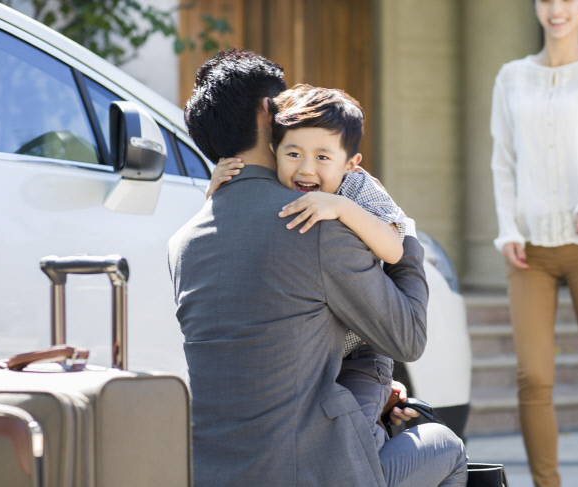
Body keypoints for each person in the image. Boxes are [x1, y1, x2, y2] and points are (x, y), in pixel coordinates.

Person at [167, 48, 467, 486]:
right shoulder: (315, 221)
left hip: (214, 473)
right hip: (311, 471)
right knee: (446, 447)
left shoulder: (184, 240)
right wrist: (405, 236)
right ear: (270, 115)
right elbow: (408, 337)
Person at [209, 83, 411, 451]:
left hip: (360, 352)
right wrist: (215, 188)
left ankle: (387, 435)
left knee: (356, 443)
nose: (305, 169)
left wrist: (342, 209)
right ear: (273, 152)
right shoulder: (273, 184)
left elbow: (395, 248)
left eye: (322, 158)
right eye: (294, 154)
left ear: (351, 163)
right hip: (312, 351)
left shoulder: (358, 190)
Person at [489, 0, 578, 485]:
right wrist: (507, 228)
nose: (557, 9)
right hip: (529, 252)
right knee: (533, 378)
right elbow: (502, 160)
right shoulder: (510, 77)